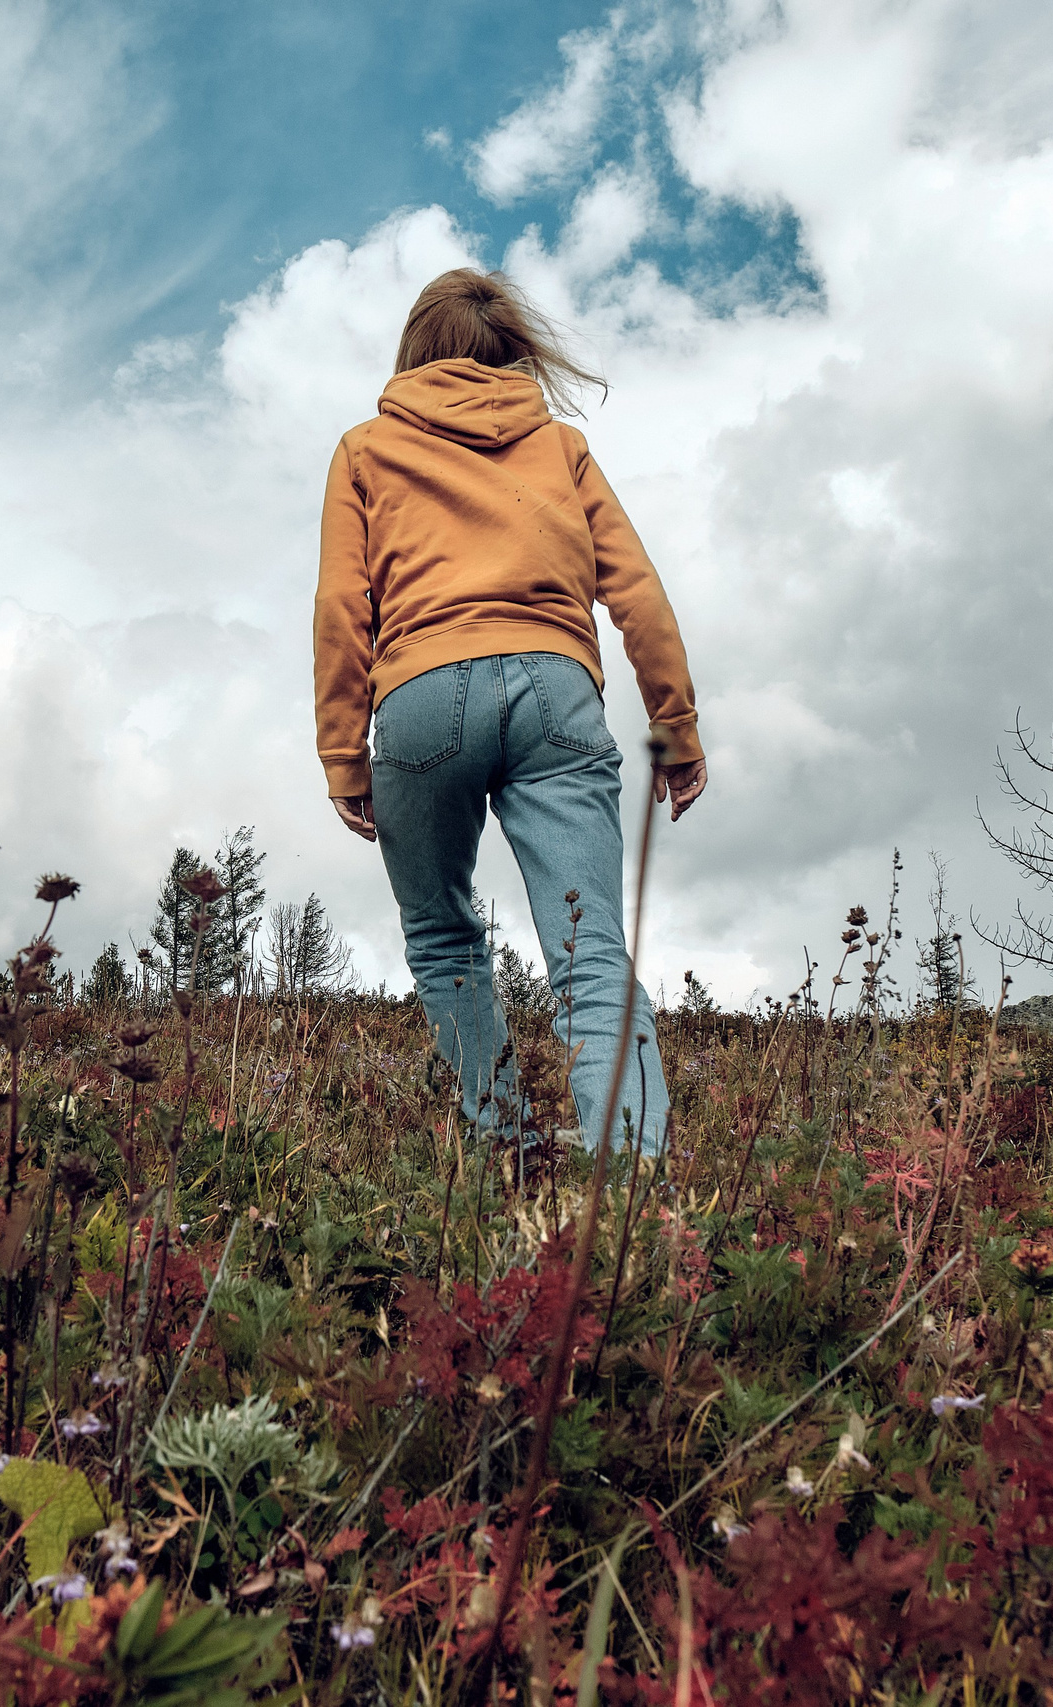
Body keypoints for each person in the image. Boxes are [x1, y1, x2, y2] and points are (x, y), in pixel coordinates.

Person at [312, 268, 705, 1157]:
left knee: (444, 935)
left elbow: (343, 606)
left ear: (415, 350)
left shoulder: (365, 449)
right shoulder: (558, 447)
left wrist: (343, 754)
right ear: (510, 353)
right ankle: (632, 1181)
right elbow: (637, 591)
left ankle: (505, 1150)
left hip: (417, 692)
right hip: (556, 692)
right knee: (591, 949)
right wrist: (674, 727)